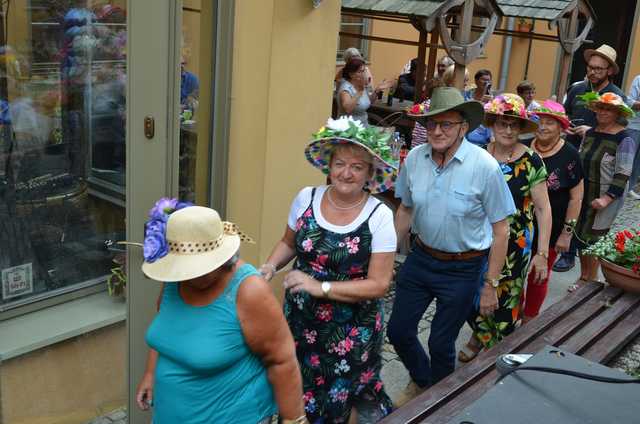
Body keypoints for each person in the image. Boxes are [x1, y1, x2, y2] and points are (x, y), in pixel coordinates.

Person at [260, 116, 397, 422]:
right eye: (340, 163)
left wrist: (318, 286)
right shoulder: (305, 198)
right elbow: (288, 243)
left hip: (350, 332)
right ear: (329, 165)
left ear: (369, 174)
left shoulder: (379, 216)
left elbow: (379, 285)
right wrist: (269, 267)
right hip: (299, 322)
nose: (346, 173)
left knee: (335, 405)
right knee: (294, 393)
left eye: (357, 167)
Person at [388, 87, 515, 403]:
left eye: (446, 124)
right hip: (421, 258)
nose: (437, 131)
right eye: (432, 124)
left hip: (463, 267)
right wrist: (386, 256)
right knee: (398, 331)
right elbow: (405, 209)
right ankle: (423, 381)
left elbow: (502, 230)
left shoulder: (484, 166)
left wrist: (490, 285)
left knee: (441, 343)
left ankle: (439, 404)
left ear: (463, 127)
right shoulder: (415, 159)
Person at [136, 200, 306, 424]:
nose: (188, 276)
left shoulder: (249, 291)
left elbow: (282, 361)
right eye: (183, 268)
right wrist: (150, 374)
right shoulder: (175, 276)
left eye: (198, 268)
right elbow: (167, 329)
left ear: (223, 259)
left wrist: (294, 421)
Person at [459, 94, 551, 357]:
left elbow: (544, 210)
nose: (508, 130)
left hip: (515, 243)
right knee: (471, 295)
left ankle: (499, 353)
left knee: (504, 300)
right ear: (492, 125)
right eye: (502, 123)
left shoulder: (531, 160)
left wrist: (542, 254)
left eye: (513, 125)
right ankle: (480, 336)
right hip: (478, 239)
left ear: (521, 128)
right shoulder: (477, 155)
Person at [556, 45, 627, 272]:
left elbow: (620, 128)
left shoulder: (616, 96)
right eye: (590, 67)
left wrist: (591, 129)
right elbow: (563, 115)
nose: (593, 72)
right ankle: (565, 252)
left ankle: (580, 263)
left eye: (599, 69)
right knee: (568, 205)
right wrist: (564, 127)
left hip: (599, 161)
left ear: (609, 71)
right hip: (571, 153)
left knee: (589, 216)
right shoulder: (577, 89)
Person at [524, 100, 583, 320]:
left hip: (551, 228)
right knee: (514, 276)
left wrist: (566, 234)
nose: (543, 126)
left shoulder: (570, 155)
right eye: (540, 121)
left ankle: (529, 320)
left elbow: (576, 198)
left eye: (550, 123)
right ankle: (509, 319)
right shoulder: (523, 147)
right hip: (520, 226)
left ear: (561, 127)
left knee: (539, 276)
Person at [572, 92, 636, 289]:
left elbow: (623, 173)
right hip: (584, 193)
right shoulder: (590, 133)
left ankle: (590, 280)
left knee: (595, 238)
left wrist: (607, 199)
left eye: (608, 109)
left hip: (605, 197)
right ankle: (584, 276)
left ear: (617, 113)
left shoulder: (624, 139)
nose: (602, 112)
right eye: (600, 107)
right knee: (581, 236)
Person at [337, 57, 391, 126]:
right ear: (351, 74)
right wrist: (360, 91)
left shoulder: (359, 84)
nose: (363, 74)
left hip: (363, 126)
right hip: (348, 129)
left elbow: (368, 102)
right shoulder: (345, 88)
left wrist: (377, 90)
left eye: (364, 71)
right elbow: (348, 108)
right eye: (360, 72)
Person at [625, 74, 640, 199]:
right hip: (634, 126)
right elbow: (630, 101)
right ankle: (621, 186)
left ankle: (630, 188)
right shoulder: (638, 79)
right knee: (628, 159)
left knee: (638, 162)